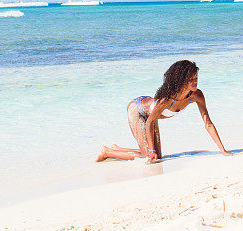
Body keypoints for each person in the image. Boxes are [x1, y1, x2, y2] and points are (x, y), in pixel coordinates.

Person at [96, 60, 234, 163]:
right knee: (148, 156)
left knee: (157, 156)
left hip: (151, 116)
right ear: (181, 80)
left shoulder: (197, 95)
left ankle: (117, 148)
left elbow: (208, 123)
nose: (195, 81)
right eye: (191, 79)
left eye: (196, 77)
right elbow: (149, 122)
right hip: (137, 110)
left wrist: (223, 151)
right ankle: (107, 152)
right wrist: (150, 150)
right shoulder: (167, 100)